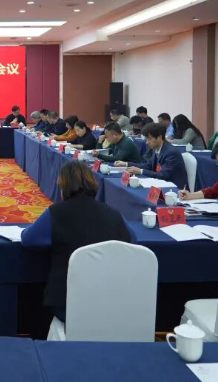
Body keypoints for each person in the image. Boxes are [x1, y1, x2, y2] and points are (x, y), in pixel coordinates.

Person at [21, 161, 130, 322]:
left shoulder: (56, 213)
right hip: (109, 301)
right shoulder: (113, 214)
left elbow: (29, 239)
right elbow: (130, 241)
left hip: (67, 303)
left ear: (63, 187)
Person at [115, 123, 188, 190]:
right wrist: (126, 164)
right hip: (160, 184)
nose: (147, 142)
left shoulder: (171, 153)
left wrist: (140, 171)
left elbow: (163, 175)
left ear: (159, 137)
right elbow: (148, 166)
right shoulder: (155, 148)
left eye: (149, 139)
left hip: (174, 189)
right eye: (146, 139)